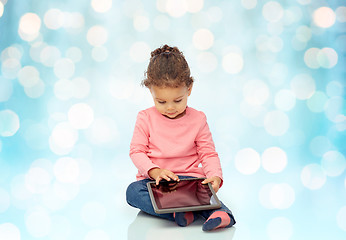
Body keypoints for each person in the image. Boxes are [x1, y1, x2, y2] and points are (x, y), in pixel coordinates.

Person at [126, 44, 236, 231]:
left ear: (189, 89)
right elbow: (137, 152)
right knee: (133, 192)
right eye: (161, 101)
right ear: (151, 92)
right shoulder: (145, 117)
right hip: (156, 182)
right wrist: (154, 171)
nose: (170, 107)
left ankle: (221, 214)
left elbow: (208, 153)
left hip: (190, 180)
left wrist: (214, 176)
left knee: (204, 193)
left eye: (178, 100)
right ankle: (179, 212)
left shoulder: (198, 118)